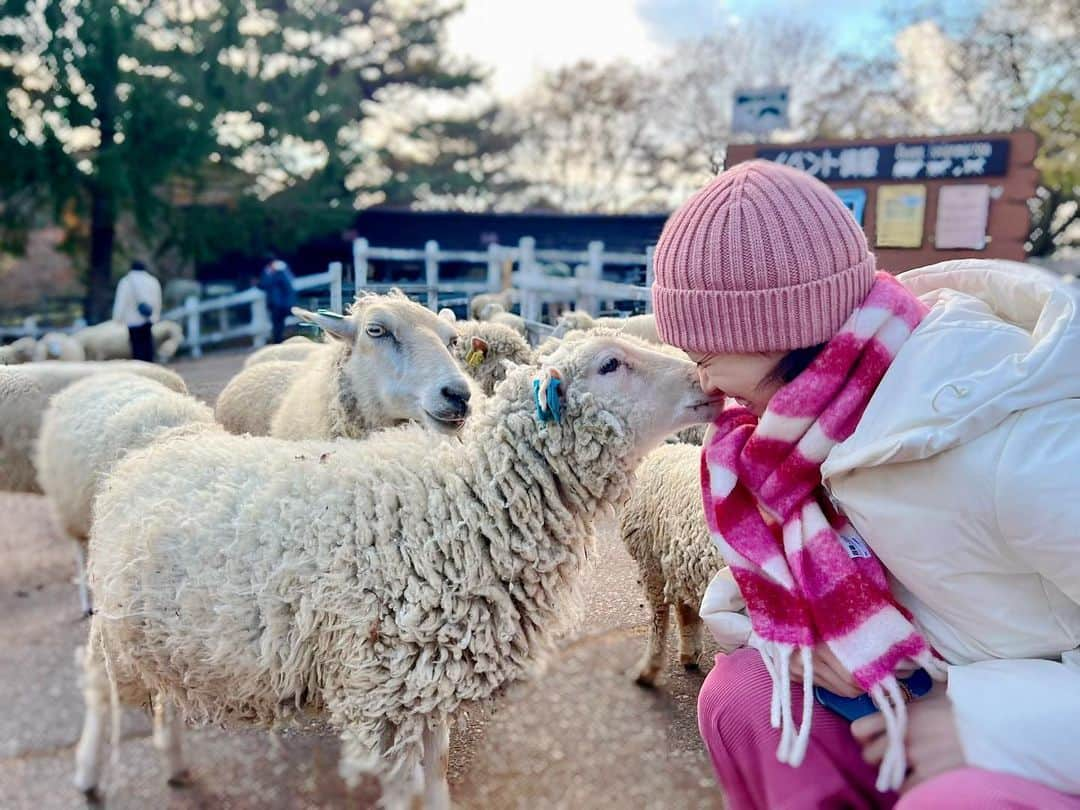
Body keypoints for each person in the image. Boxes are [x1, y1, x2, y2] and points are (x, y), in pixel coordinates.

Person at [651, 160, 1080, 810]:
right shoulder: (799, 433)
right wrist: (825, 645)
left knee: (957, 800)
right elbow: (803, 589)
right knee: (745, 696)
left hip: (1034, 721)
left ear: (778, 332)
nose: (705, 386)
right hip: (923, 681)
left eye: (705, 358)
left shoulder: (1021, 444)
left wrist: (983, 721)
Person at [112, 260, 162, 362]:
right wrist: (156, 316)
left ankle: (139, 367)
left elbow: (121, 301)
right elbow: (157, 300)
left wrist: (117, 319)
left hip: (132, 320)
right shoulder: (152, 281)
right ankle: (150, 367)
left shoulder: (126, 281)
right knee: (148, 345)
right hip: (148, 318)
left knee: (136, 347)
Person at [258, 255, 297, 344]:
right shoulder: (273, 271)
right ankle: (279, 341)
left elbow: (266, 284)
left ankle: (279, 342)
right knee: (278, 324)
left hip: (280, 303)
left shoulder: (279, 271)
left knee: (279, 324)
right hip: (278, 303)